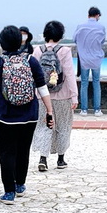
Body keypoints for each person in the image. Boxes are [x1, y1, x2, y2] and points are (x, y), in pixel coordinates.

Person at [0, 25, 54, 203]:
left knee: (6, 152)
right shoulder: (30, 61)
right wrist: (49, 110)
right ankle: (20, 185)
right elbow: (42, 87)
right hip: (29, 115)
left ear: (1, 43)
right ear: (20, 42)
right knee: (23, 150)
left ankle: (9, 192)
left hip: (4, 116)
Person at [32, 20, 78, 172]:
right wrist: (74, 96)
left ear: (45, 34)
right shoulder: (64, 51)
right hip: (63, 96)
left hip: (43, 96)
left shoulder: (37, 50)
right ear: (61, 35)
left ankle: (43, 159)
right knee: (63, 126)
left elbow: (33, 75)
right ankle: (60, 159)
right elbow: (70, 74)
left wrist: (35, 94)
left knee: (44, 126)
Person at [73, 6, 106, 115]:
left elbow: (74, 39)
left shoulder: (80, 26)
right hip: (96, 58)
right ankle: (97, 109)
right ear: (97, 15)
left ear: (88, 15)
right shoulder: (101, 27)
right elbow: (102, 41)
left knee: (84, 83)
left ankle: (84, 109)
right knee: (96, 82)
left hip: (84, 59)